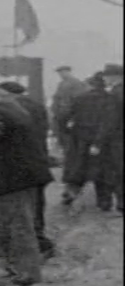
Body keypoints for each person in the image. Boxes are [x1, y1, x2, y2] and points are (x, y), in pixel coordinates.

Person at [0, 79, 52, 286]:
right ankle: (20, 269)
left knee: (18, 226)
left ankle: (26, 273)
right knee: (14, 224)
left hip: (14, 179)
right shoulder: (13, 107)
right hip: (27, 176)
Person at [0, 81, 55, 258]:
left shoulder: (11, 109)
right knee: (36, 204)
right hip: (38, 159)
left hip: (21, 164)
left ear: (8, 93)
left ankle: (37, 246)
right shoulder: (36, 105)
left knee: (23, 209)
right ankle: (39, 240)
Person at [60, 74, 117, 211]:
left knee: (77, 168)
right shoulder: (110, 99)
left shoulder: (80, 98)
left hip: (79, 138)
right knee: (102, 172)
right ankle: (104, 202)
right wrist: (99, 141)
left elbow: (63, 116)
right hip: (101, 140)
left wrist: (68, 130)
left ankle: (71, 193)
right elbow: (108, 123)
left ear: (90, 85)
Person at [99, 64, 123, 214]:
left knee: (116, 170)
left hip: (117, 140)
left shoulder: (115, 93)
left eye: (106, 76)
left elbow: (110, 121)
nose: (104, 79)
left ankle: (121, 203)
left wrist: (99, 141)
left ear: (114, 76)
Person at [51, 65, 88, 154]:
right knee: (62, 137)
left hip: (69, 115)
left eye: (63, 72)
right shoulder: (61, 84)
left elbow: (78, 101)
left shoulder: (76, 83)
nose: (61, 74)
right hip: (61, 115)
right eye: (59, 73)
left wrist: (73, 116)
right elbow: (57, 98)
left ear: (68, 72)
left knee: (70, 138)